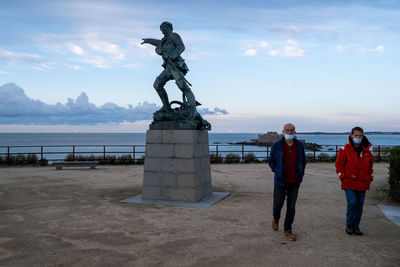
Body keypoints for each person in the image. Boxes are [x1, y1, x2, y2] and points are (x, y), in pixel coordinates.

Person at [141, 21, 196, 114]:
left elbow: (181, 46)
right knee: (157, 85)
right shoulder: (163, 41)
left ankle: (193, 109)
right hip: (169, 67)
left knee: (182, 85)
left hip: (177, 66)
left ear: (170, 28)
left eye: (165, 27)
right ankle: (166, 106)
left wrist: (171, 55)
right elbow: (156, 42)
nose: (163, 30)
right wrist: (148, 40)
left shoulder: (174, 36)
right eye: (161, 28)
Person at [269, 123, 306, 241]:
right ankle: (276, 217)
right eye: (287, 130)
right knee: (278, 203)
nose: (289, 132)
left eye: (291, 130)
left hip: (295, 181)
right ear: (283, 131)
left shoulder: (299, 145)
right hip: (280, 180)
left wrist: (301, 173)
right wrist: (277, 171)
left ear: (295, 131)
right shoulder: (276, 146)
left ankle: (288, 230)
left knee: (291, 206)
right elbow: (271, 161)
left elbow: (303, 161)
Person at [335, 126, 374, 236]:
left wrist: (370, 176)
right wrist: (342, 176)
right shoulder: (344, 149)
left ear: (363, 136)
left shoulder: (367, 151)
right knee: (352, 203)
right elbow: (338, 165)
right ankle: (349, 224)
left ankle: (356, 227)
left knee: (359, 206)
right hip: (349, 182)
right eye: (356, 135)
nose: (358, 137)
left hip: (363, 182)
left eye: (360, 136)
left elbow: (371, 165)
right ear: (351, 136)